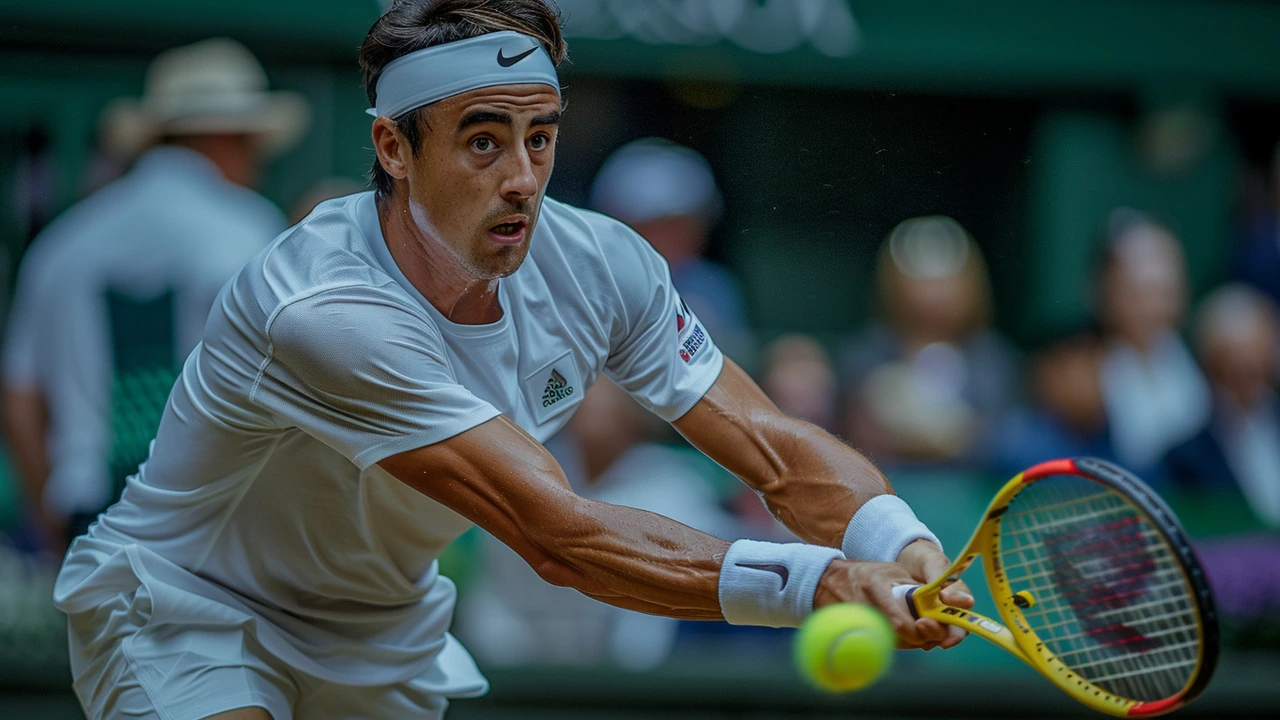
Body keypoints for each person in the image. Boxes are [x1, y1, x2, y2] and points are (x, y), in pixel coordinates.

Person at [52, 2, 969, 719]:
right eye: (483, 140)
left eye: (541, 137)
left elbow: (771, 444)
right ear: (392, 147)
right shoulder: (322, 309)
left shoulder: (604, 264)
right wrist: (824, 582)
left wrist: (899, 543)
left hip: (380, 629)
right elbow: (556, 534)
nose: (523, 177)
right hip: (188, 605)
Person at [1, 38, 309, 554]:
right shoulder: (250, 231)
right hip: (218, 513)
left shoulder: (63, 245)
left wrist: (52, 519)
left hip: (93, 515)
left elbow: (20, 399)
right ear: (227, 138)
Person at [839, 216, 1019, 466]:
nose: (933, 293)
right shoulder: (865, 354)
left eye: (945, 279)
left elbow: (996, 438)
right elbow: (861, 437)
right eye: (920, 277)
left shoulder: (994, 359)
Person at [589, 137, 756, 368]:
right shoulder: (587, 282)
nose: (674, 237)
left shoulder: (714, 286)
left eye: (686, 223)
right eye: (655, 225)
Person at [1094, 208, 1210, 476]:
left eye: (1164, 290)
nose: (1153, 305)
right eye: (1139, 290)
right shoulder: (1078, 372)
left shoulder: (1199, 365)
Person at [1163, 285, 1280, 528]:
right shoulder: (1185, 460)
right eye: (1229, 371)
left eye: (1253, 369)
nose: (1243, 384)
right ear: (1209, 369)